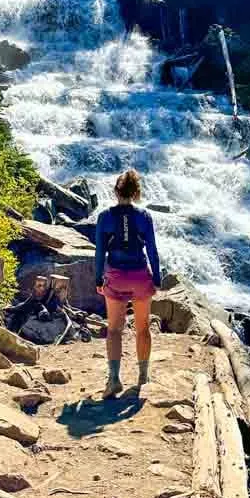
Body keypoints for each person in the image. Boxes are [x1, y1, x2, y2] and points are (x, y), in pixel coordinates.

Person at [94, 169, 161, 398]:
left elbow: (100, 252)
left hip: (115, 276)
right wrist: (157, 277)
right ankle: (143, 377)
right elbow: (151, 249)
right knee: (143, 328)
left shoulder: (104, 217)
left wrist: (97, 278)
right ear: (135, 193)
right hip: (140, 277)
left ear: (115, 191)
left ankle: (113, 379)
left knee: (114, 330)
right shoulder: (144, 216)